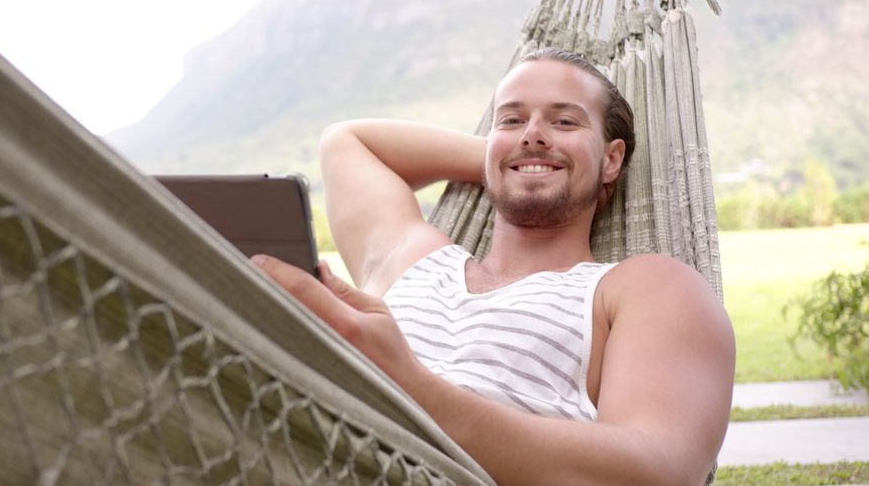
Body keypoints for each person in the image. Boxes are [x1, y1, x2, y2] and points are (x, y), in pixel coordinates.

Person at [250, 48, 735, 485]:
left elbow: (657, 471)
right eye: (510, 120)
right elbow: (347, 142)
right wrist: (516, 156)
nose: (533, 134)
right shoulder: (413, 259)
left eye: (565, 122)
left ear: (613, 159)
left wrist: (405, 385)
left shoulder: (643, 288)